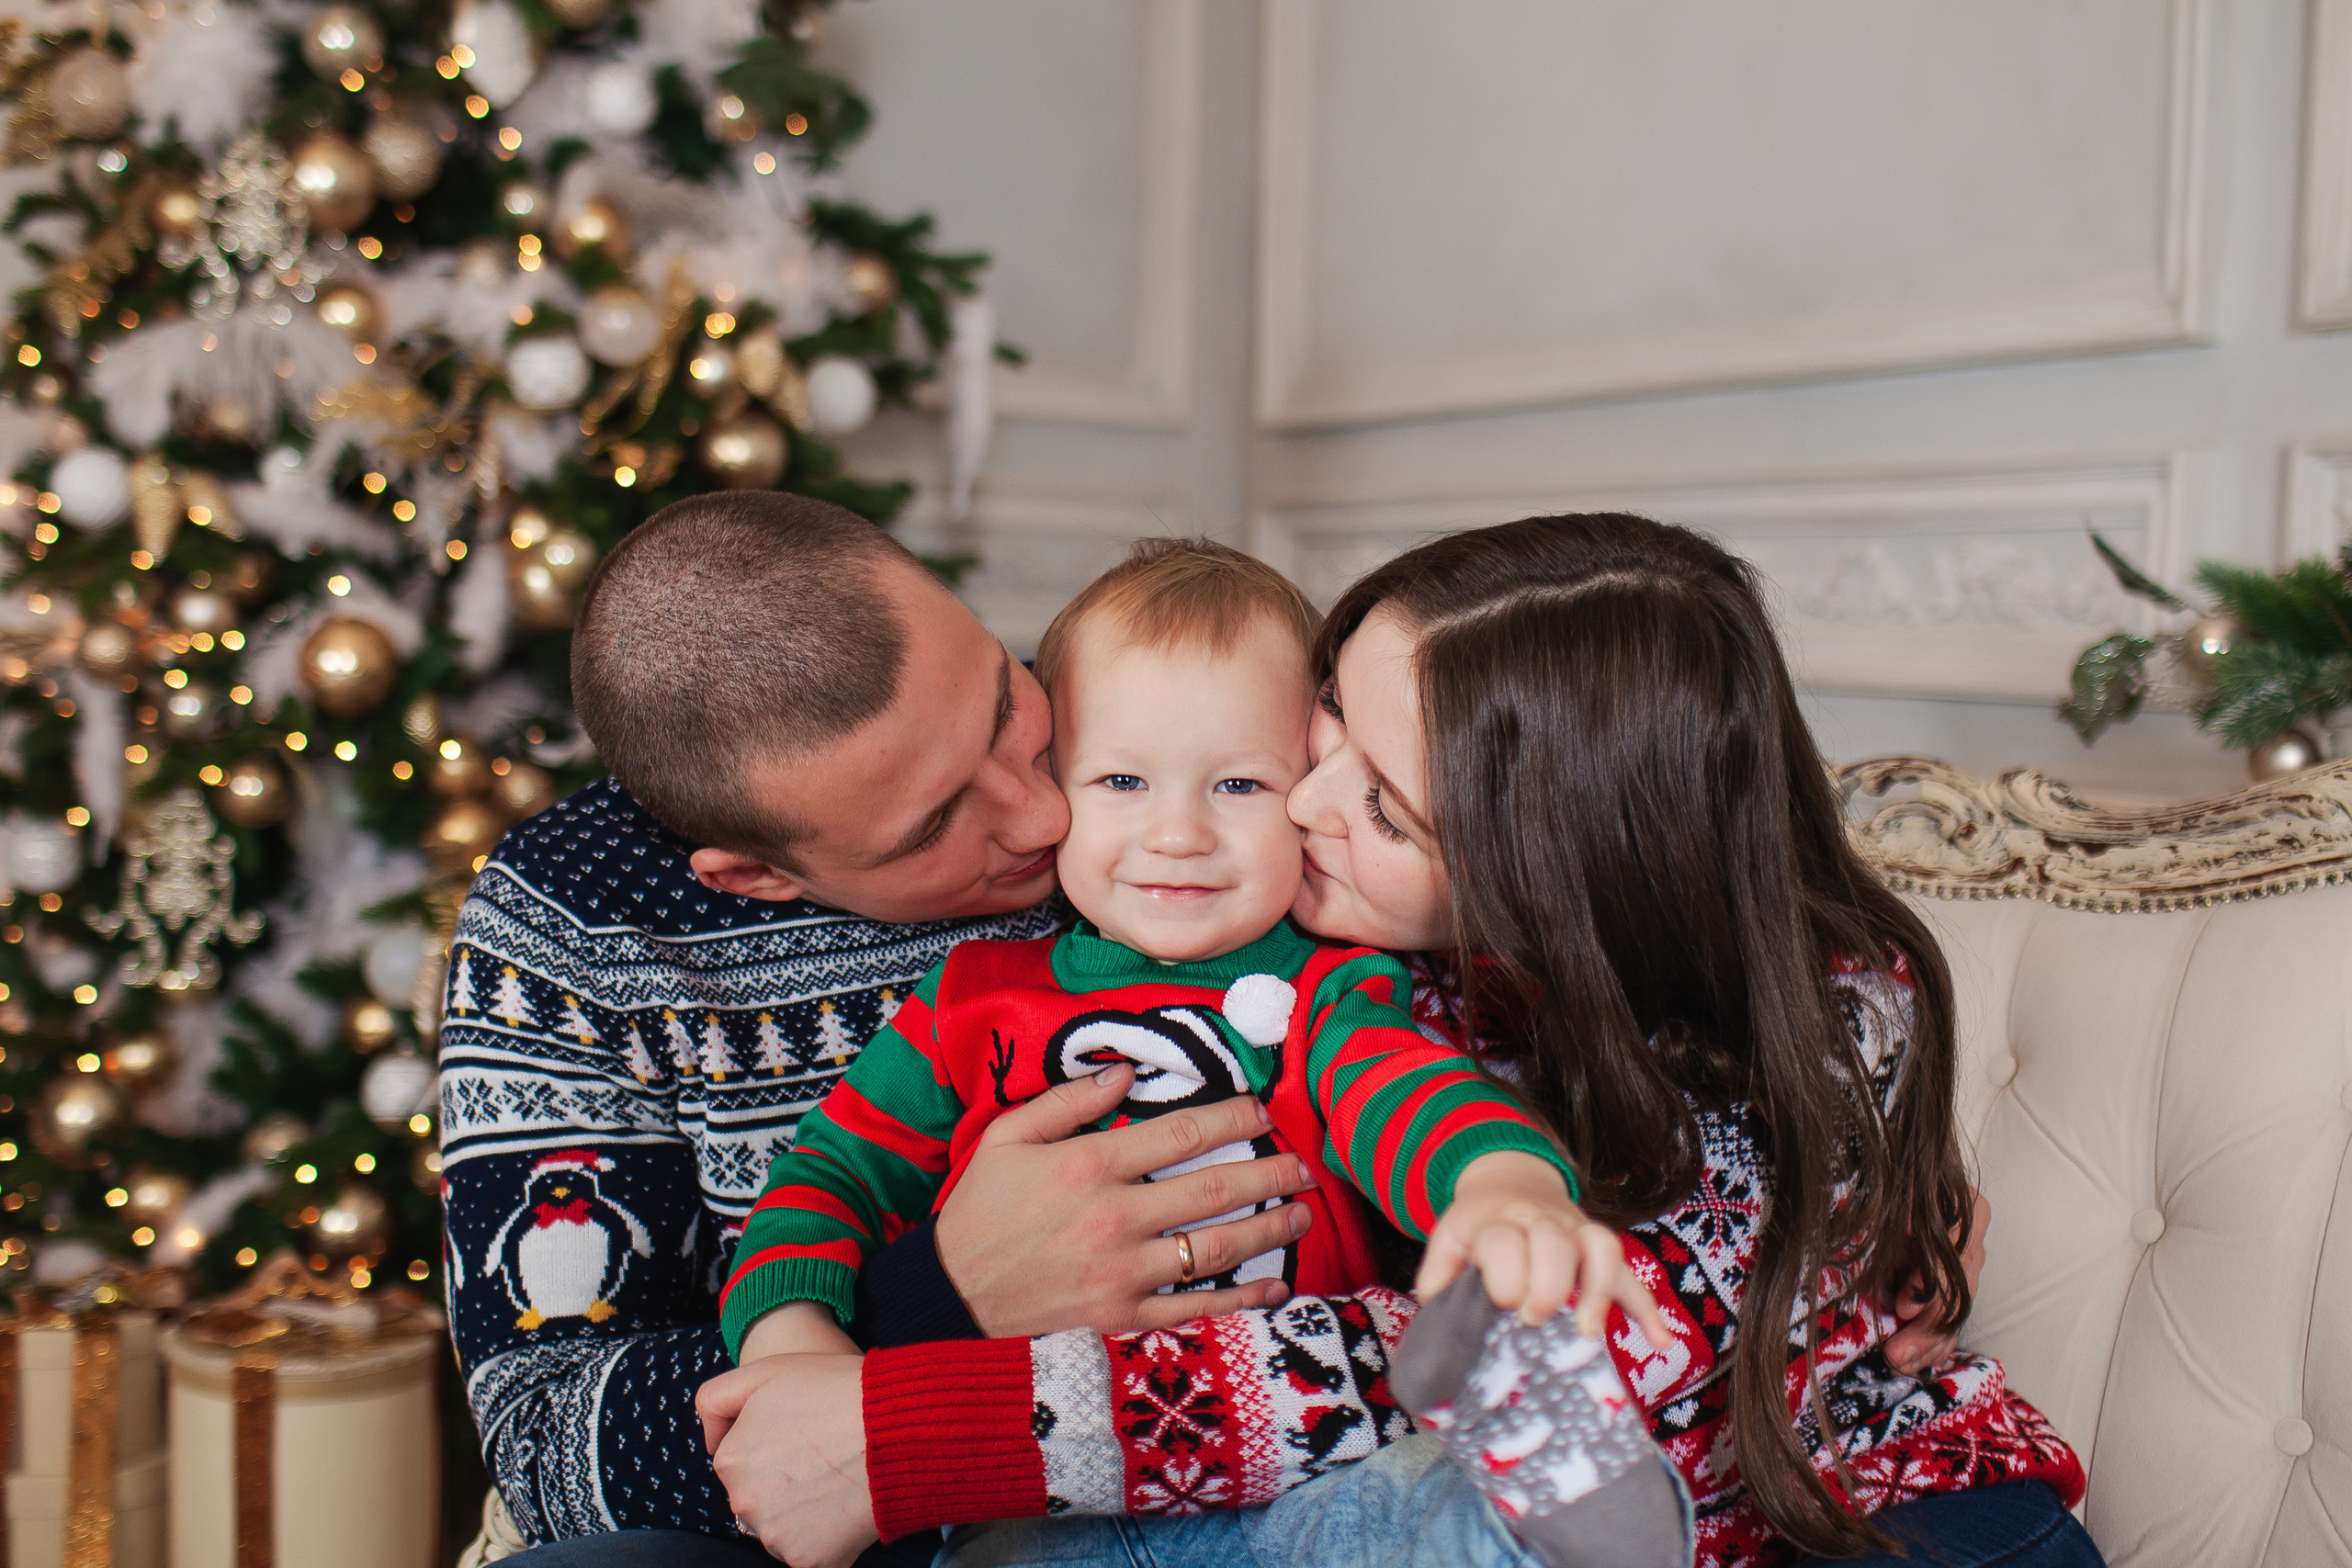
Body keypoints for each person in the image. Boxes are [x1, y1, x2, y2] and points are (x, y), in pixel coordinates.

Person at [770, 514, 2099, 1568]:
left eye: (1386, 808)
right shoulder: (1340, 949)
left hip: (1885, 1511)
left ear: (1550, 866)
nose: (1300, 799)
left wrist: (913, 1435)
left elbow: (1505, 1367)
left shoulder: (1823, 1010)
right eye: (1327, 723)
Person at [715, 537, 1688, 1568]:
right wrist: (791, 1336)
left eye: (1239, 785)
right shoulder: (971, 1000)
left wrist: (1501, 1184)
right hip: (1026, 1500)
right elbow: (831, 1171)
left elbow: (1401, 1088)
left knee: (1415, 1510)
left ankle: (1539, 1501)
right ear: (1054, 783)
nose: (1177, 833)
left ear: (1304, 791)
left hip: (1300, 1476)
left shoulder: (1327, 985)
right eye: (1123, 778)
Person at [443, 496, 1334, 1562]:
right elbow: (544, 1438)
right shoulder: (578, 913)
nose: (1044, 813)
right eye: (935, 825)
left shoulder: (1149, 740)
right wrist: (942, 1302)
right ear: (758, 876)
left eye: (1003, 706)